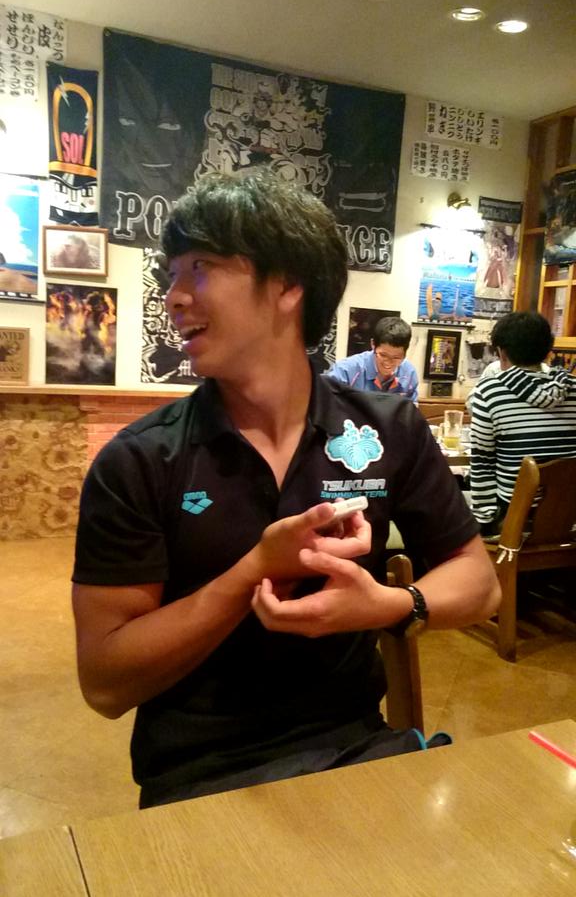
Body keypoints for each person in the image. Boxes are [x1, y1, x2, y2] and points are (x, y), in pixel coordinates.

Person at [72, 170, 499, 809]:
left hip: (357, 749)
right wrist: (256, 570)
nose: (174, 296)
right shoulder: (141, 459)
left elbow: (481, 583)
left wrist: (387, 605)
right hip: (199, 776)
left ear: (288, 285)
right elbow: (105, 684)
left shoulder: (388, 428)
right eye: (171, 274)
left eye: (200, 267)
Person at [470, 311, 576, 536]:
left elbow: (482, 463)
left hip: (514, 525)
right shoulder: (573, 389)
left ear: (501, 352)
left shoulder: (489, 392)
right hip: (568, 523)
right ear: (548, 351)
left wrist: (485, 522)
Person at [326, 317, 419, 402]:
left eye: (396, 357)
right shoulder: (345, 370)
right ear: (373, 344)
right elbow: (327, 405)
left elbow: (411, 411)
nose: (388, 362)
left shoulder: (409, 373)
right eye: (383, 355)